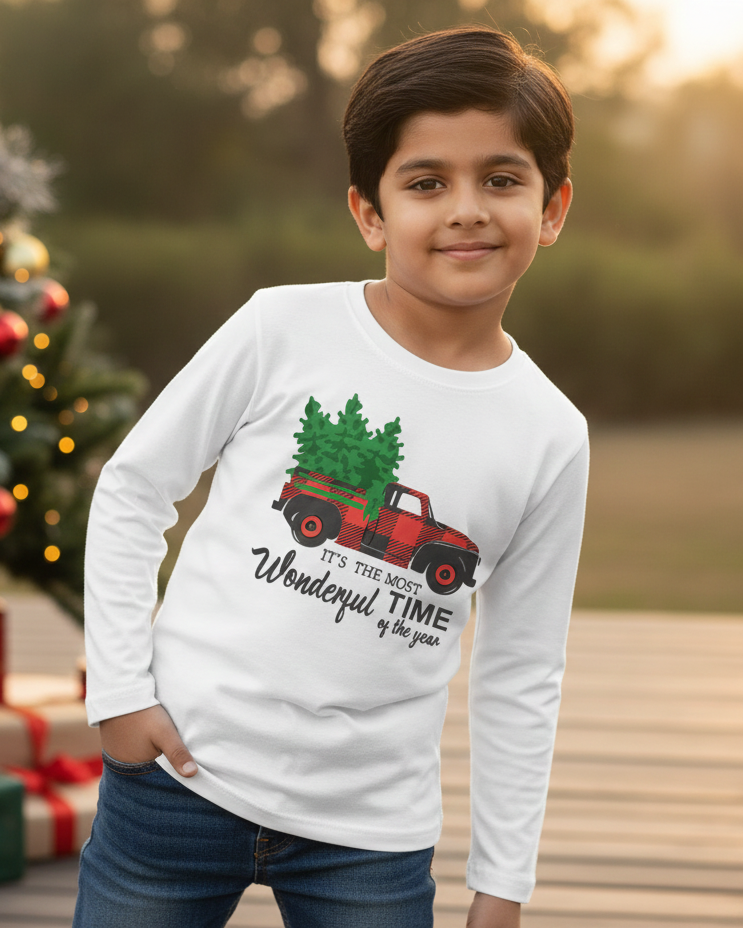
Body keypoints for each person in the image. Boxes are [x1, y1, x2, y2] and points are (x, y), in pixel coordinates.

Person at [74, 25, 588, 928]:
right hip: (178, 774)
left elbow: (520, 667)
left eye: (501, 179)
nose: (466, 209)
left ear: (551, 209)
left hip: (370, 834)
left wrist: (502, 883)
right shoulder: (280, 329)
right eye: (425, 183)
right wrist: (120, 697)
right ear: (369, 212)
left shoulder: (550, 433)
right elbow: (133, 489)